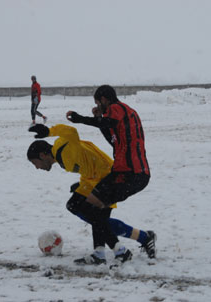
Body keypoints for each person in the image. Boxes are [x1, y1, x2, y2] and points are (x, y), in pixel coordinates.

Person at [28, 123, 156, 265]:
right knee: (78, 207)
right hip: (93, 179)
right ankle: (105, 252)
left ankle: (121, 250)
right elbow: (87, 162)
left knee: (97, 217)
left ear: (42, 155)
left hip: (108, 178)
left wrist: (49, 131)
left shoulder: (62, 150)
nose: (37, 168)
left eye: (35, 163)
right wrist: (81, 185)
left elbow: (71, 131)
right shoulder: (61, 158)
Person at [65, 84, 156, 265]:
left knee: (91, 205)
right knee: (98, 210)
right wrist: (98, 118)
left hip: (129, 173)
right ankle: (106, 251)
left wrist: (81, 119)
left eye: (98, 103)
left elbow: (107, 122)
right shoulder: (120, 116)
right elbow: (112, 138)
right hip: (132, 174)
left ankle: (118, 250)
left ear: (104, 100)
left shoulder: (117, 108)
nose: (98, 107)